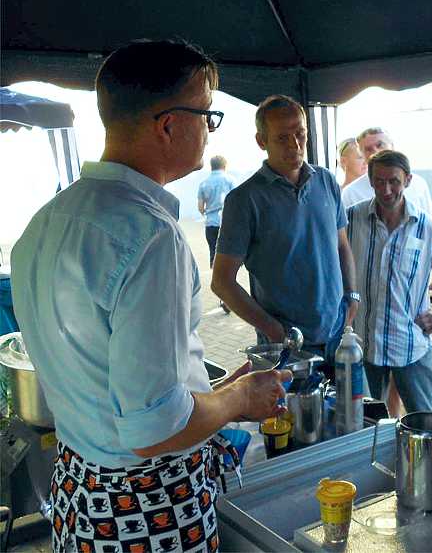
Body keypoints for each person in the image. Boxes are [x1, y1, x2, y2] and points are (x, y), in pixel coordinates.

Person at [10, 39, 290, 553]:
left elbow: (108, 378)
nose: (209, 130)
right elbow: (155, 428)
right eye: (207, 115)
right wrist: (238, 399)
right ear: (169, 125)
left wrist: (216, 389)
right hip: (144, 502)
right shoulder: (150, 237)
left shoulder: (46, 222)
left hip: (79, 490)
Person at [212, 95, 359, 370]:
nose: (295, 145)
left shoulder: (326, 181)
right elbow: (221, 282)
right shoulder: (244, 199)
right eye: (282, 138)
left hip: (338, 332)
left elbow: (342, 246)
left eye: (300, 134)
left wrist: (352, 296)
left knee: (346, 399)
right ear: (261, 141)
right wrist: (274, 330)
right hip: (286, 347)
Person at [346, 150, 432, 412]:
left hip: (411, 345)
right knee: (366, 424)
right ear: (370, 181)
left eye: (394, 181)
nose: (386, 190)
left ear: (408, 180)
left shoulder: (428, 228)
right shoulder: (350, 219)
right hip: (362, 346)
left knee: (426, 423)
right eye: (379, 181)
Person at [341, 127, 432, 217]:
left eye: (380, 145)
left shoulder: (418, 184)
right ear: (362, 155)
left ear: (392, 146)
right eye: (368, 149)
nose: (376, 152)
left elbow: (430, 222)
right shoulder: (351, 193)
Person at [198, 154, 236, 313]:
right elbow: (237, 203)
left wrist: (209, 212)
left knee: (214, 256)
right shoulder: (230, 180)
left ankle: (222, 294)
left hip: (211, 224)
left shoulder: (204, 183)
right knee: (230, 258)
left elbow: (200, 208)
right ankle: (229, 296)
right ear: (224, 166)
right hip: (228, 224)